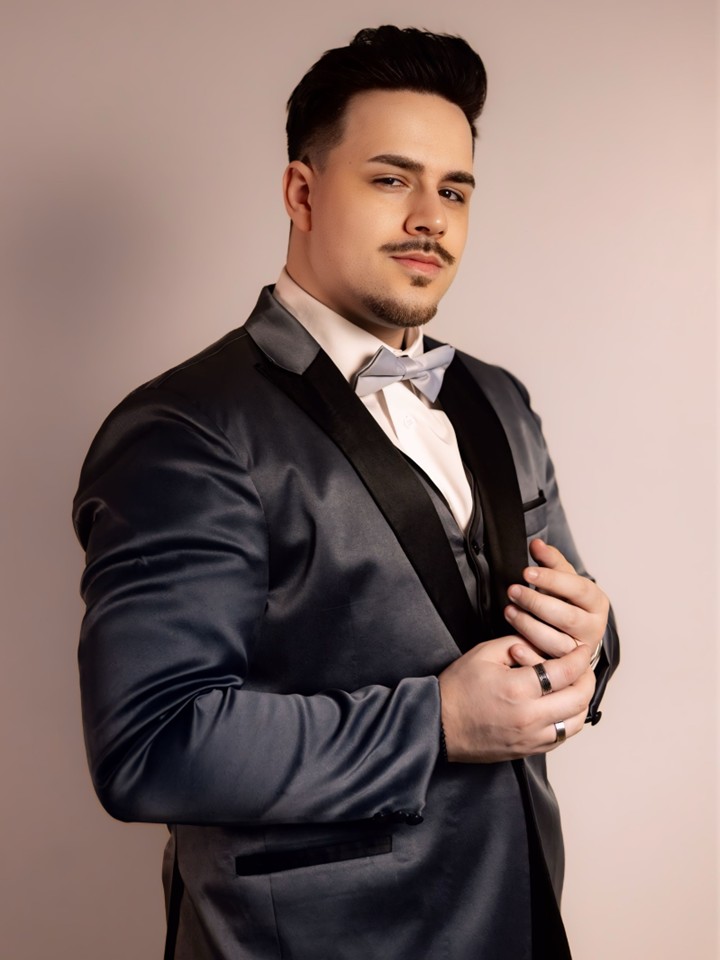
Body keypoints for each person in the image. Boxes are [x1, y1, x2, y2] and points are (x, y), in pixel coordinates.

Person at [74, 25, 619, 960]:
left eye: (454, 189)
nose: (431, 217)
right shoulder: (184, 428)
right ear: (301, 192)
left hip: (520, 921)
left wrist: (592, 643)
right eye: (391, 178)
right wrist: (437, 721)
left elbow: (566, 632)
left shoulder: (500, 398)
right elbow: (152, 745)